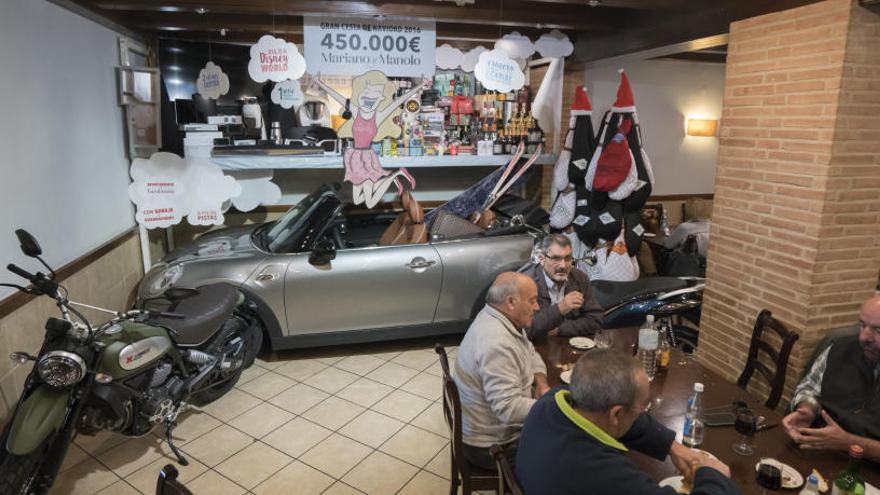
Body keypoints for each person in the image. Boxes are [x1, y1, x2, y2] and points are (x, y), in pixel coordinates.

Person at [516, 349, 740, 495]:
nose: (642, 413)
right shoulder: (602, 474)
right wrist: (714, 476)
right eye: (641, 407)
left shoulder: (552, 400)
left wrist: (673, 447)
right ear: (616, 414)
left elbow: (632, 422)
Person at [454, 272, 550, 470]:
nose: (537, 307)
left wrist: (541, 382)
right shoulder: (497, 343)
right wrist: (552, 406)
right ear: (511, 302)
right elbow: (508, 409)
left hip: (488, 432)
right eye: (532, 301)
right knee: (569, 456)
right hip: (491, 447)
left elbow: (530, 352)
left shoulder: (499, 317)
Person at [782, 295, 880, 461]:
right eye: (862, 325)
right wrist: (807, 409)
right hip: (816, 451)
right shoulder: (839, 347)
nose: (864, 337)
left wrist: (848, 442)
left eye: (878, 330)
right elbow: (809, 388)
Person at [311, 71, 425, 208]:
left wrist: (421, 84)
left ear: (380, 100)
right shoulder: (355, 111)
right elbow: (336, 96)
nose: (368, 101)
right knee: (358, 200)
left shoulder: (379, 116)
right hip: (353, 157)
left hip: (366, 157)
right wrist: (318, 82)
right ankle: (394, 176)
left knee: (370, 203)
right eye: (365, 97)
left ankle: (395, 175)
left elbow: (399, 101)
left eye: (373, 98)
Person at [521, 233, 604, 340]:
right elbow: (525, 329)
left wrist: (560, 329)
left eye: (568, 258)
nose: (563, 265)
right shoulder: (527, 282)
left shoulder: (579, 277)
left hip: (570, 347)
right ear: (542, 259)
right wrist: (560, 309)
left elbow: (596, 319)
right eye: (556, 258)